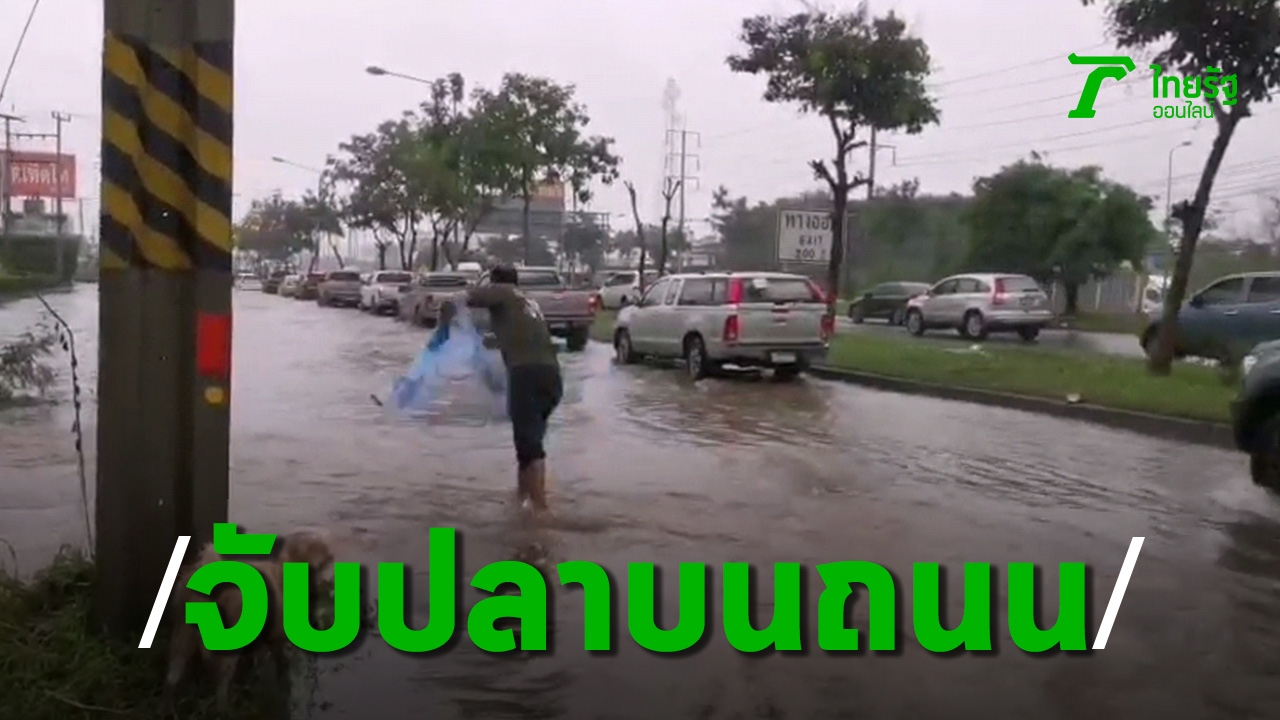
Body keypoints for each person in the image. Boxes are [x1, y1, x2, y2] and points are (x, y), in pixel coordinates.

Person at [439, 265, 562, 511]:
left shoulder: (503, 293)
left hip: (526, 373)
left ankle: (540, 512)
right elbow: (512, 338)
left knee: (530, 446)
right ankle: (521, 501)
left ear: (495, 283)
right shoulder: (527, 303)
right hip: (551, 375)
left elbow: (456, 300)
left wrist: (442, 331)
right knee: (528, 441)